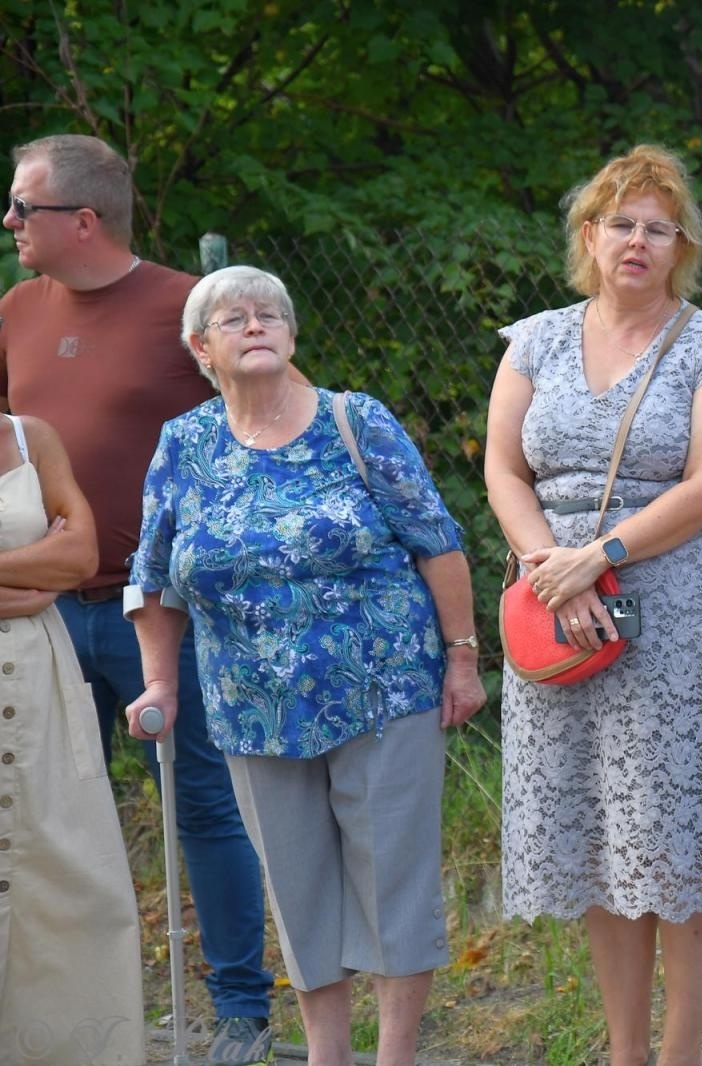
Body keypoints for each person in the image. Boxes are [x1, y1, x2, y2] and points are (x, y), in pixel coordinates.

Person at [122, 265, 487, 1066]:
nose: (255, 326)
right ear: (201, 348)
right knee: (295, 887)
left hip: (384, 684)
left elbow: (439, 541)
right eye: (234, 318)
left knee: (394, 879)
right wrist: (158, 679)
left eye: (270, 315)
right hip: (249, 704)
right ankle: (327, 1055)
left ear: (291, 337)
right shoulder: (184, 445)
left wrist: (462, 657)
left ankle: (391, 1056)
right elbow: (151, 579)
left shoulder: (356, 421)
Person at [485, 144, 702, 1066]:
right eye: (622, 223)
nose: (639, 241)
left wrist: (598, 557)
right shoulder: (533, 339)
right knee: (600, 829)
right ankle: (625, 1052)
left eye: (660, 227)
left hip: (676, 611)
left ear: (680, 246)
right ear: (590, 235)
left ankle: (682, 1051)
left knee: (680, 830)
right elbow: (503, 466)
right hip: (553, 604)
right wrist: (549, 566)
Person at [0, 133, 275, 1063]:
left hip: (158, 613)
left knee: (202, 804)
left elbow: (250, 429)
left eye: (21, 208)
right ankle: (51, 1015)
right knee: (37, 811)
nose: (8, 224)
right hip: (34, 618)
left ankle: (240, 1011)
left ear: (83, 219)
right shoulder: (15, 309)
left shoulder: (181, 309)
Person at [0, 413, 143, 1065]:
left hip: (39, 692)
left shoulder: (33, 438)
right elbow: (54, 554)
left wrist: (55, 562)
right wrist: (30, 565)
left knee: (69, 881)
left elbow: (81, 556)